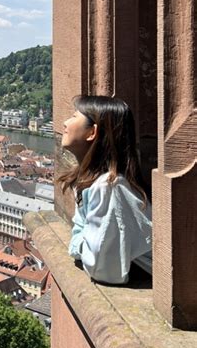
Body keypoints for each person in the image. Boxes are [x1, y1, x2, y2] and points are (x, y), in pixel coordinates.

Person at [59, 95, 152, 285]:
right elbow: (79, 238)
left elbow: (102, 269)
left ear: (92, 132)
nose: (64, 122)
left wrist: (80, 245)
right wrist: (81, 244)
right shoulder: (95, 182)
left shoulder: (109, 187)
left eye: (74, 116)